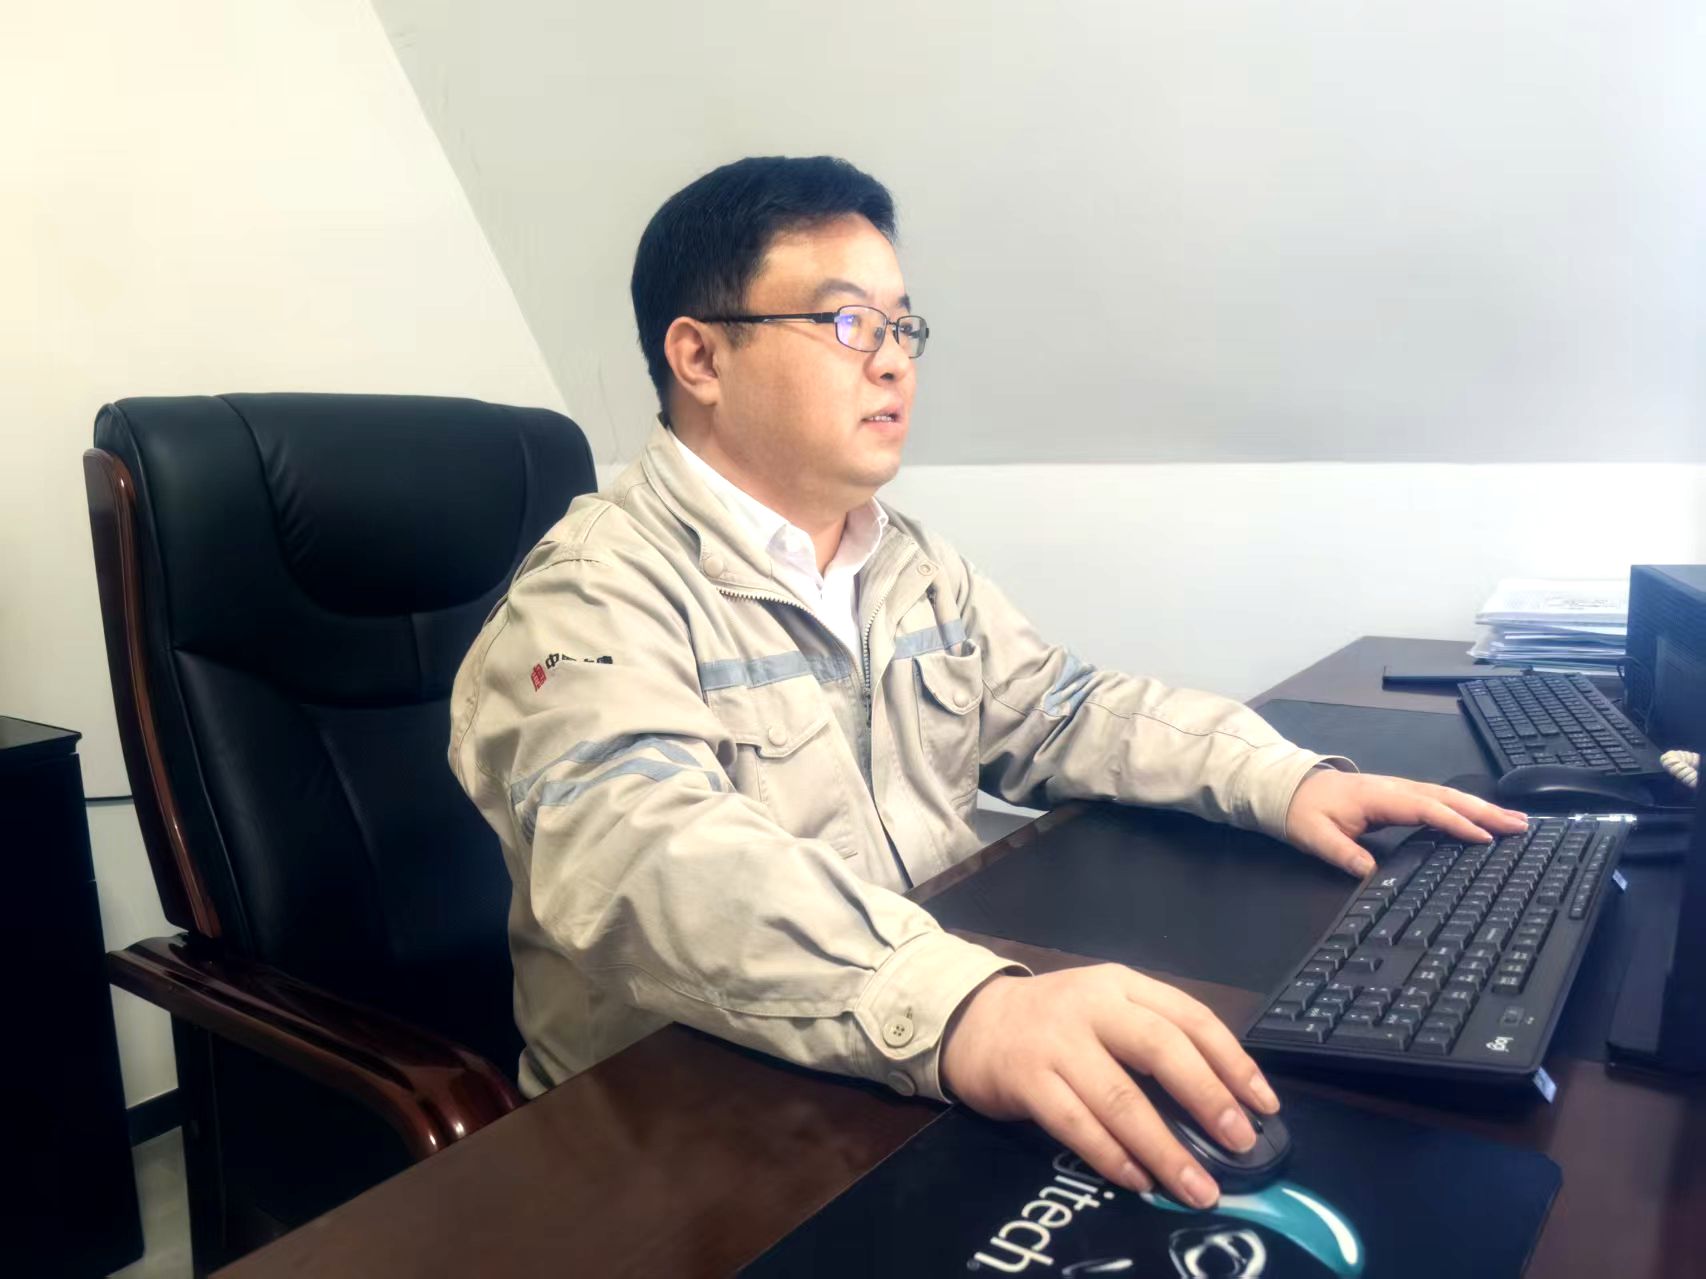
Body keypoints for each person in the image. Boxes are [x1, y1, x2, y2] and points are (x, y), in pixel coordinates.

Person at [448, 155, 1527, 1210]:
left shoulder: (905, 561)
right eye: (846, 322)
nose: (892, 363)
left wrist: (1281, 779)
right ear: (699, 356)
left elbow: (1060, 710)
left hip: (903, 1049)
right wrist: (961, 1007)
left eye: (900, 324)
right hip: (677, 1123)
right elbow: (641, 854)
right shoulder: (589, 594)